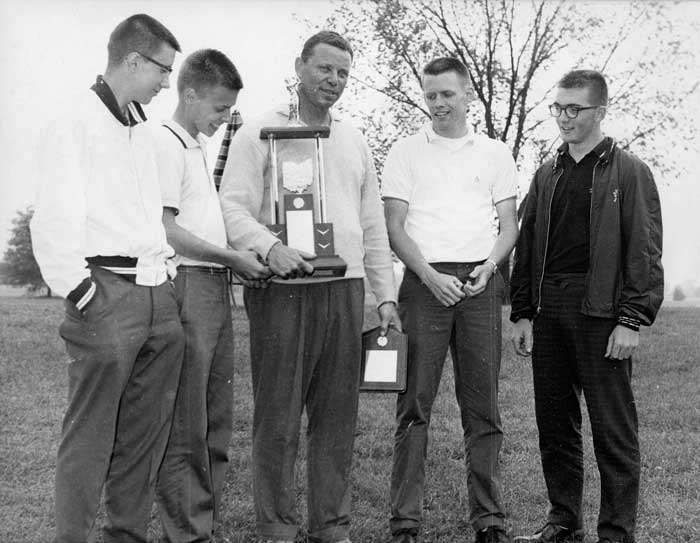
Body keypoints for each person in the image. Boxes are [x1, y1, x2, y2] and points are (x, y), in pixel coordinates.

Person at [218, 30, 402, 543]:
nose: (333, 81)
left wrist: (383, 296)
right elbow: (230, 206)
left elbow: (372, 228)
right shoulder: (260, 130)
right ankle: (277, 527)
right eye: (324, 69)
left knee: (336, 416)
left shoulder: (354, 139)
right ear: (300, 66)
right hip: (281, 290)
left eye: (343, 73)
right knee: (277, 415)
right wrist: (267, 246)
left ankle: (331, 526)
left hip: (343, 290)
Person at [30, 14, 185, 543]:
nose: (168, 81)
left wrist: (164, 281)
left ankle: (126, 536)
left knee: (144, 436)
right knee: (91, 435)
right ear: (133, 60)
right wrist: (80, 288)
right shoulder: (74, 121)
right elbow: (52, 218)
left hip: (155, 297)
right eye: (163, 70)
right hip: (105, 294)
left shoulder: (141, 124)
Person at [510, 70, 664, 543]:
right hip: (549, 306)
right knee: (555, 426)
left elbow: (644, 248)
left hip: (602, 312)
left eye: (574, 108)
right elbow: (528, 243)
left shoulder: (629, 170)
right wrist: (522, 311)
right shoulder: (546, 172)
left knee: (613, 431)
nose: (564, 117)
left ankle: (616, 533)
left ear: (601, 111)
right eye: (558, 107)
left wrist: (631, 319)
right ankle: (563, 522)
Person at [382, 57, 519, 543]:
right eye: (431, 94)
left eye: (447, 94)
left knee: (482, 409)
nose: (438, 103)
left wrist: (490, 265)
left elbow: (509, 227)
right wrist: (428, 274)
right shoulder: (404, 152)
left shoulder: (495, 154)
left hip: (479, 287)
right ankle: (405, 522)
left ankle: (489, 520)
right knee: (414, 406)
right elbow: (394, 228)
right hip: (424, 285)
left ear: (466, 96)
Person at [152, 49, 270, 543]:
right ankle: (186, 532)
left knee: (215, 417)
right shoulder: (163, 143)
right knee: (187, 418)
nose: (224, 120)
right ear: (190, 92)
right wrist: (232, 259)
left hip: (215, 286)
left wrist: (238, 260)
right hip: (186, 284)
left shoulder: (197, 145)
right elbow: (167, 230)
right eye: (219, 109)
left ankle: (204, 523)